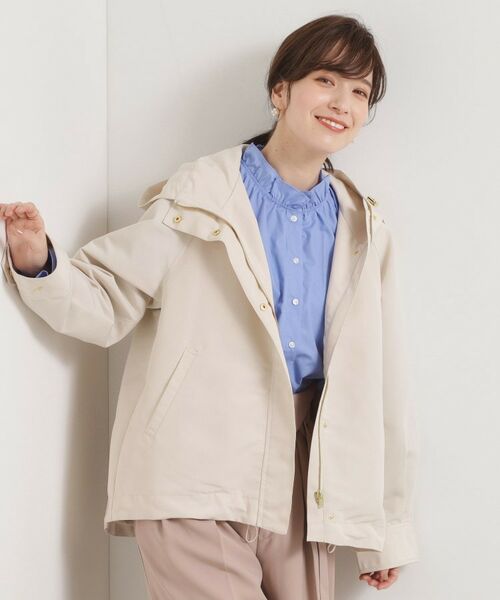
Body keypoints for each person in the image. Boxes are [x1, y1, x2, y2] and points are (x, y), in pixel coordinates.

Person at [1, 14, 419, 599]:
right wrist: (37, 260)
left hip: (306, 478)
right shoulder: (199, 199)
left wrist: (385, 530)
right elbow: (108, 298)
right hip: (192, 461)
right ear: (280, 91)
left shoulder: (364, 228)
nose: (341, 103)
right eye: (326, 80)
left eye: (359, 92)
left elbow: (382, 386)